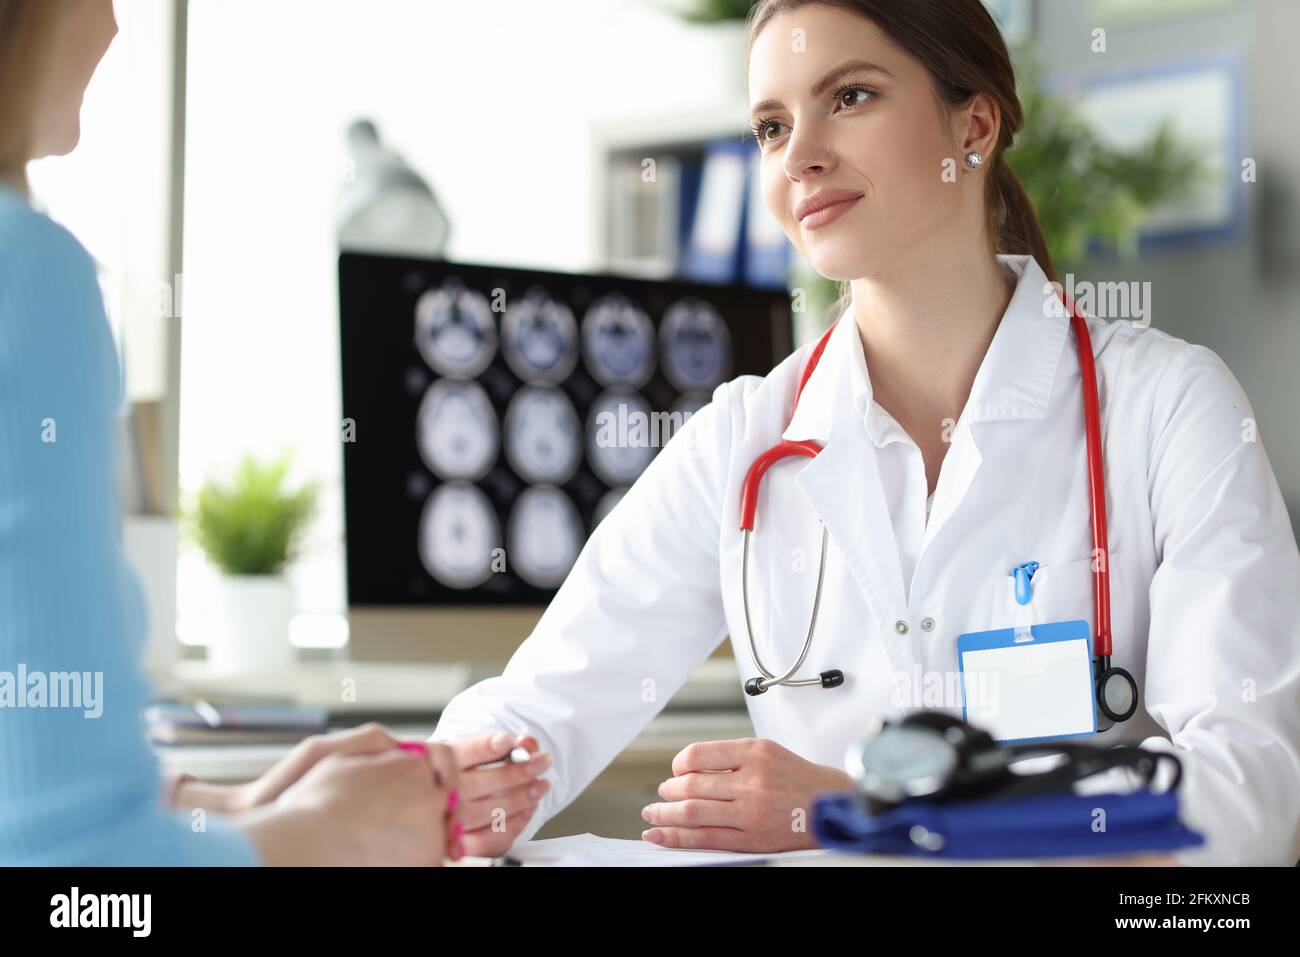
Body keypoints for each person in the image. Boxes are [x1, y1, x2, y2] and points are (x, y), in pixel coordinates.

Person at [430, 0, 1300, 865]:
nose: (800, 156)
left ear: (977, 125)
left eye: (849, 97)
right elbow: (538, 710)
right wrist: (450, 791)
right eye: (771, 127)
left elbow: (1246, 794)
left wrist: (868, 810)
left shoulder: (1169, 406)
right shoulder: (743, 441)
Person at [0, 0, 463, 866]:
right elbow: (77, 888)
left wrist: (221, 808)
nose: (109, 27)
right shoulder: (23, 273)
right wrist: (334, 838)